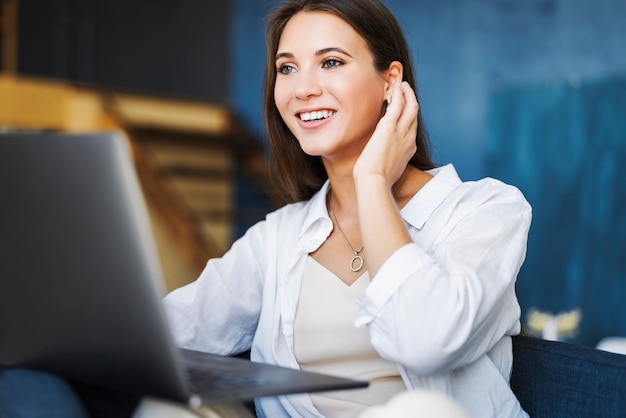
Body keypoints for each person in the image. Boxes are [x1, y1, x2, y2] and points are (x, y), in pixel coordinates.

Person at [164, 0, 532, 417]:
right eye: (287, 68)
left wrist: (373, 182)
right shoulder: (278, 237)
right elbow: (168, 335)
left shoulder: (485, 210)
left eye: (331, 62)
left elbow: (425, 341)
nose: (302, 88)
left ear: (391, 83)